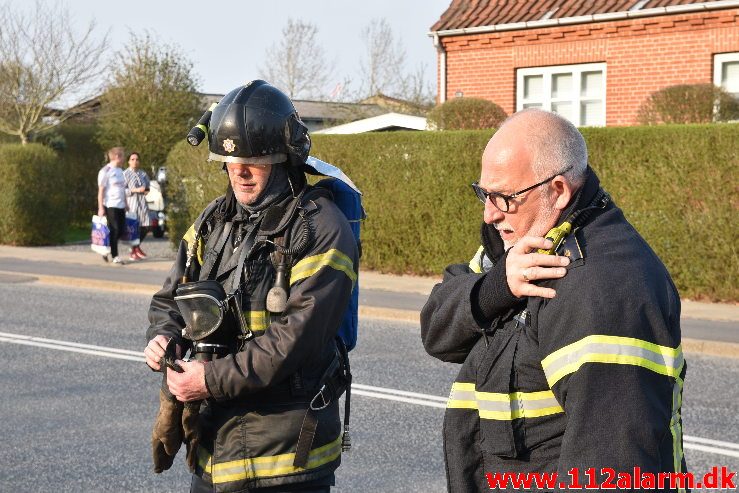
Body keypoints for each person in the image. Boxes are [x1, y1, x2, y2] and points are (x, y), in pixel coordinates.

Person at [421, 109, 686, 492]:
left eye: (503, 197)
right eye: (483, 193)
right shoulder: (516, 248)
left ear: (558, 191)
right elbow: (436, 332)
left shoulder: (602, 286)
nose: (489, 213)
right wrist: (498, 287)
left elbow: (608, 471)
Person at [144, 80, 358, 493]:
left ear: (283, 160)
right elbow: (171, 297)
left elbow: (294, 340)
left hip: (285, 462)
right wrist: (163, 335)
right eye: (230, 161)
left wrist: (208, 380)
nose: (239, 173)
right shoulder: (215, 220)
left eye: (254, 161)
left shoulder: (320, 227)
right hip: (214, 449)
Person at [97, 146, 127, 264]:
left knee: (121, 230)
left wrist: (126, 204)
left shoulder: (120, 171)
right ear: (117, 156)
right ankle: (115, 256)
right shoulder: (105, 171)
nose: (124, 158)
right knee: (115, 229)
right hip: (110, 205)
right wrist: (100, 207)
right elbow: (101, 191)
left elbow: (122, 189)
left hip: (121, 205)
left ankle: (106, 249)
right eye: (123, 156)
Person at [123, 151, 151, 260]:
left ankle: (136, 247)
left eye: (137, 159)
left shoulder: (143, 173)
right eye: (133, 159)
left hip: (142, 203)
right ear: (129, 161)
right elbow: (123, 190)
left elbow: (148, 186)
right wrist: (136, 190)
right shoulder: (125, 174)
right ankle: (134, 250)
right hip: (131, 203)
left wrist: (145, 190)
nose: (135, 161)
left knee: (146, 226)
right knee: (134, 227)